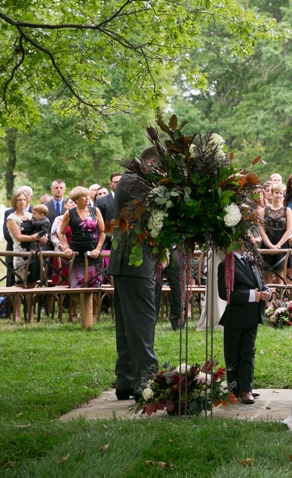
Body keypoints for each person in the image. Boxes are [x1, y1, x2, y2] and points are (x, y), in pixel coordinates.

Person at [107, 147, 161, 400]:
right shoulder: (136, 181)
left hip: (129, 262)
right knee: (141, 323)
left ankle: (126, 381)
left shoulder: (131, 179)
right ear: (151, 162)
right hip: (134, 261)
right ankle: (145, 382)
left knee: (129, 325)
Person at [218, 249, 271, 404]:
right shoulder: (226, 264)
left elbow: (259, 282)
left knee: (248, 352)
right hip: (235, 317)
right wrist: (251, 295)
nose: (253, 239)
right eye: (248, 236)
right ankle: (234, 388)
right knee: (233, 353)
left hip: (252, 316)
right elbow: (225, 292)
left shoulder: (251, 260)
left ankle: (246, 388)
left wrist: (267, 292)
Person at [4, 188, 45, 320]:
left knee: (32, 284)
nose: (22, 202)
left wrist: (44, 237)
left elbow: (42, 228)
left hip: (34, 253)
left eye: (24, 199)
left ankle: (30, 313)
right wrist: (37, 238)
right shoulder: (11, 218)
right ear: (14, 202)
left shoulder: (31, 216)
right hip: (21, 253)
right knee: (20, 285)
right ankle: (17, 313)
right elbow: (19, 237)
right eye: (19, 200)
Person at [58, 186, 106, 288]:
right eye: (84, 196)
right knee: (76, 286)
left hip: (93, 254)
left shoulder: (95, 210)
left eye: (87, 195)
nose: (87, 198)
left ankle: (92, 305)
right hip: (76, 254)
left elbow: (103, 232)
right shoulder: (69, 213)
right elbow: (61, 233)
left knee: (94, 288)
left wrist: (98, 249)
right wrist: (66, 247)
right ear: (76, 199)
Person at [258, 184, 292, 283]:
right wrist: (269, 245)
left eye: (281, 193)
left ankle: (279, 298)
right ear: (272, 194)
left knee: (280, 276)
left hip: (282, 243)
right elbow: (261, 230)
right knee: (267, 276)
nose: (278, 195)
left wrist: (278, 246)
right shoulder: (263, 211)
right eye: (276, 193)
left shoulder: (287, 210)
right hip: (267, 243)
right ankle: (269, 298)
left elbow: (289, 230)